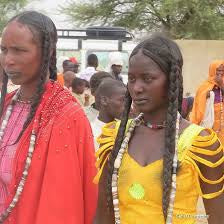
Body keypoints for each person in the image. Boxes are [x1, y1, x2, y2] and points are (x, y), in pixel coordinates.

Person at [94, 35, 224, 224]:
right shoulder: (114, 137)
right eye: (131, 79)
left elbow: (216, 218)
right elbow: (102, 216)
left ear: (172, 80)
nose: (136, 88)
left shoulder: (199, 144)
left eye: (147, 78)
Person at [0, 11, 97, 224]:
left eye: (19, 51)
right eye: (4, 50)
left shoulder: (66, 116)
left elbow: (63, 207)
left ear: (47, 52)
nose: (8, 60)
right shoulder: (5, 106)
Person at [190, 60, 224, 145]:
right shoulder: (204, 86)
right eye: (218, 70)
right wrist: (206, 95)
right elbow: (199, 103)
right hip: (210, 121)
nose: (220, 73)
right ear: (212, 71)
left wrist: (221, 85)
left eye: (222, 70)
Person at [91, 79, 126, 150]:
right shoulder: (91, 132)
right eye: (122, 100)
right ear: (104, 100)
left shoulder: (125, 129)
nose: (127, 105)